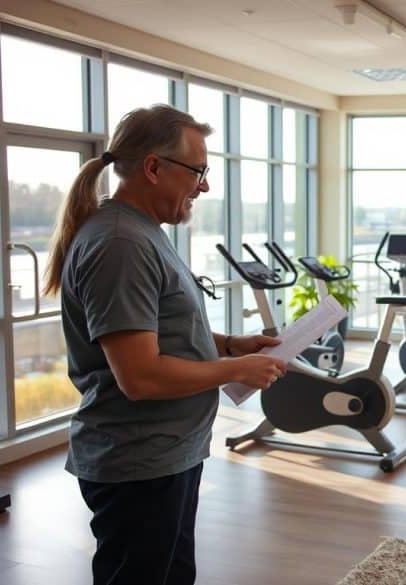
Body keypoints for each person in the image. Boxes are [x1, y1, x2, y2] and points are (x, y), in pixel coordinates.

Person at [43, 105, 288, 585]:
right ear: (154, 168)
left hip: (168, 452)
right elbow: (141, 376)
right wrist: (235, 371)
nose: (205, 186)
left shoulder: (141, 233)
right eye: (198, 172)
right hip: (139, 461)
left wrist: (230, 345)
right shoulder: (121, 243)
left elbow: (161, 329)